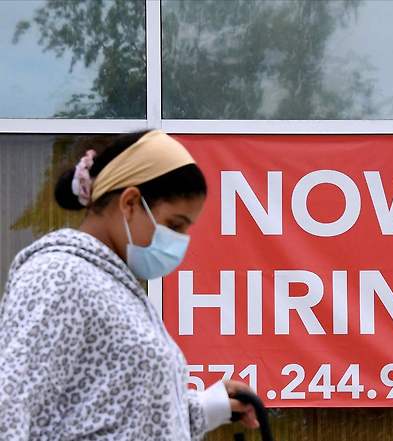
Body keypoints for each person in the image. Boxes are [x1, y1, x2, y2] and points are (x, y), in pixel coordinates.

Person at [0, 130, 260, 440]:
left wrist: (208, 406)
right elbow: (9, 406)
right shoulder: (57, 276)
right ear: (131, 203)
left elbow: (124, 416)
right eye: (174, 225)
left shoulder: (112, 284)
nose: (180, 241)